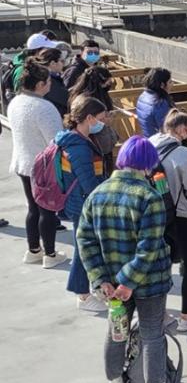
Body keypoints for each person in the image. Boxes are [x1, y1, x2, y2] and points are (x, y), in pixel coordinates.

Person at [77, 135, 187, 383]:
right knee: (153, 334)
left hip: (110, 284)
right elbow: (149, 246)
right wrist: (129, 282)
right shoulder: (149, 197)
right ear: (147, 164)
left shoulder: (97, 194)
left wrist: (102, 279)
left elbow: (85, 240)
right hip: (148, 282)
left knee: (116, 333)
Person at [149, 110, 187, 332]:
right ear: (182, 129)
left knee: (161, 265)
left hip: (154, 214)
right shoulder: (183, 154)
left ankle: (161, 314)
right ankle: (186, 317)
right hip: (181, 216)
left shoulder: (150, 142)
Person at [7, 59, 68, 269]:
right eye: (48, 81)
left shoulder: (16, 102)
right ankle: (50, 254)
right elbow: (56, 140)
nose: (50, 84)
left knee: (33, 208)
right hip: (43, 165)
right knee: (47, 210)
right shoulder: (44, 107)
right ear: (41, 84)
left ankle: (33, 250)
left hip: (22, 161)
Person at [56, 96, 110, 312]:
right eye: (100, 118)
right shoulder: (78, 146)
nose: (103, 122)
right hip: (81, 204)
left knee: (84, 246)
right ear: (88, 118)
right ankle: (83, 295)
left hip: (77, 201)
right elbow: (88, 182)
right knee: (83, 248)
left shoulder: (72, 139)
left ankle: (88, 288)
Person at [69, 65, 117, 175]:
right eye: (107, 83)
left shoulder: (84, 96)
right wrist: (104, 122)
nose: (108, 86)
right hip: (96, 144)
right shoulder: (86, 101)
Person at [136, 67, 175, 137]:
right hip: (160, 144)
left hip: (149, 140)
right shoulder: (160, 103)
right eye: (170, 82)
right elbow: (167, 130)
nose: (172, 84)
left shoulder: (143, 96)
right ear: (162, 85)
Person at [31, 48, 70, 117]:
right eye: (62, 61)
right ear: (52, 63)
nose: (63, 64)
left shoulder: (44, 78)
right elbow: (67, 100)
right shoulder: (48, 82)